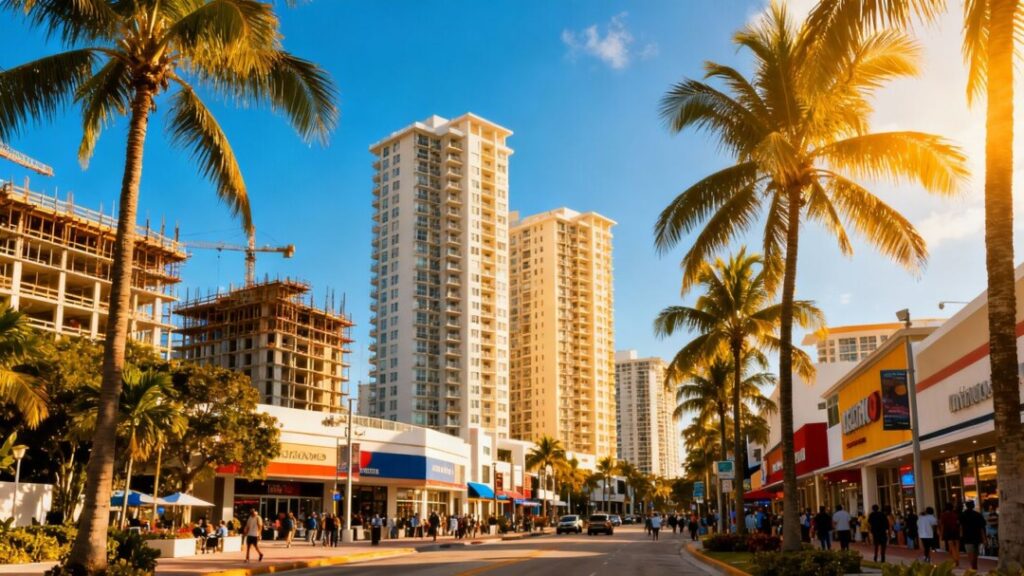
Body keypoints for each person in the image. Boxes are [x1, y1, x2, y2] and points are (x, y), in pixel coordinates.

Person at [960, 501, 987, 570]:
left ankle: (973, 567)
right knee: (975, 553)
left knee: (970, 553)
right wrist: (984, 538)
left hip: (967, 537)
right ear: (973, 506)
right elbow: (982, 528)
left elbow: (961, 527)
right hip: (977, 537)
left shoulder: (963, 515)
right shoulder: (978, 515)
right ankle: (974, 566)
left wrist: (961, 535)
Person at [939, 503, 961, 567]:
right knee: (957, 546)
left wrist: (941, 534)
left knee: (951, 546)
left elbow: (942, 525)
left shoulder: (943, 515)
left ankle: (955, 559)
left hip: (948, 531)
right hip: (956, 531)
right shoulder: (955, 514)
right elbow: (958, 523)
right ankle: (957, 559)